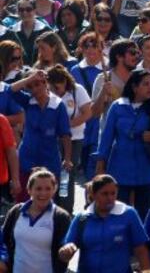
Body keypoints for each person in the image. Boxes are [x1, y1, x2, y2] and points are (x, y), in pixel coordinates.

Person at [95, 67, 150, 219]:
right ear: (134, 87)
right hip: (120, 169)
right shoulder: (118, 106)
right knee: (118, 213)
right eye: (145, 84)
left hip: (147, 169)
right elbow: (106, 137)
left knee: (145, 215)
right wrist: (100, 164)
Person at [58, 174, 150, 273]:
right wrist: (66, 251)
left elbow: (141, 251)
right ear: (93, 195)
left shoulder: (129, 214)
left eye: (113, 193)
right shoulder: (82, 219)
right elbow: (65, 251)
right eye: (105, 194)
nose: (110, 198)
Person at [9, 70, 72, 199]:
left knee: (46, 200)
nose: (34, 89)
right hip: (26, 160)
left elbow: (65, 134)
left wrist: (67, 158)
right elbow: (10, 91)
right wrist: (30, 78)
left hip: (49, 161)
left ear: (45, 83)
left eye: (37, 84)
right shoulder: (28, 101)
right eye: (30, 87)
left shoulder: (58, 105)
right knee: (23, 200)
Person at [0, 169, 72, 273]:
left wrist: (66, 251)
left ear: (54, 190)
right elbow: (4, 240)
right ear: (29, 190)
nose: (43, 193)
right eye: (38, 188)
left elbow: (65, 245)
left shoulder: (61, 217)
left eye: (48, 189)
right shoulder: (16, 212)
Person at [46, 65, 91, 211]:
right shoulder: (46, 92)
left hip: (74, 139)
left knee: (66, 175)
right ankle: (50, 207)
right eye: (53, 88)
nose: (56, 91)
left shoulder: (78, 90)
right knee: (51, 174)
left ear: (65, 81)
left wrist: (66, 125)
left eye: (58, 87)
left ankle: (65, 210)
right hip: (52, 139)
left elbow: (87, 113)